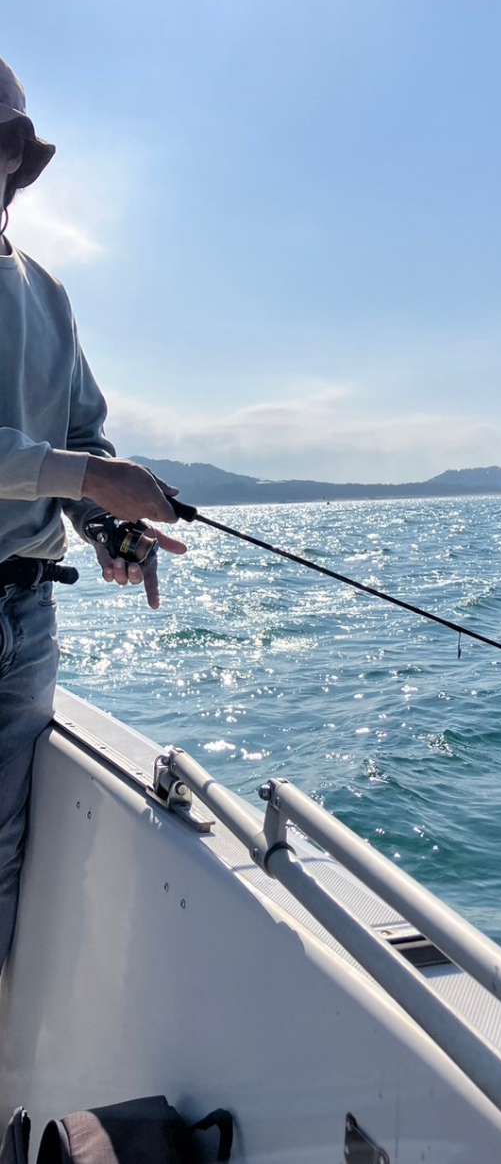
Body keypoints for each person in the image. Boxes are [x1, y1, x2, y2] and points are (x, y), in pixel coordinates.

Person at [0, 55, 187, 971]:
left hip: (24, 619)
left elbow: (84, 436)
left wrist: (111, 525)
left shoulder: (48, 294)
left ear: (15, 161)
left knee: (0, 860)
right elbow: (72, 463)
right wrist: (86, 477)